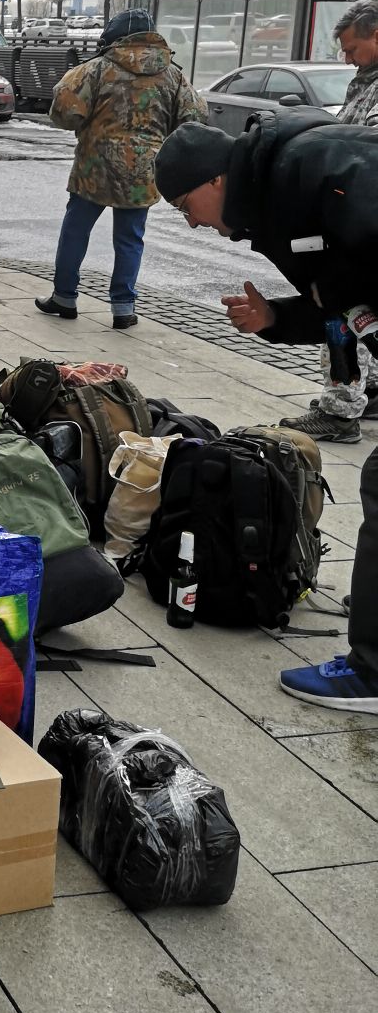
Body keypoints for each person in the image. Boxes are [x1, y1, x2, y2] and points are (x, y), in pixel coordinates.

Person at [154, 110, 378, 713]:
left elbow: (355, 270)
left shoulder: (300, 171)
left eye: (186, 206)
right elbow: (340, 296)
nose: (193, 223)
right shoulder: (275, 192)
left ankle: (372, 673)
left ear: (215, 179)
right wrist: (276, 317)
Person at [36, 8, 204, 330]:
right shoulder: (173, 74)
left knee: (76, 230)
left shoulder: (96, 69)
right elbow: (194, 117)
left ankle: (65, 297)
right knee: (130, 238)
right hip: (144, 170)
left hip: (94, 167)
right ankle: (123, 308)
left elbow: (64, 111)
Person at [279, 0, 378, 442]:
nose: (347, 58)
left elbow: (367, 147)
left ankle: (340, 411)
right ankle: (368, 391)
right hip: (359, 213)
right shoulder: (368, 79)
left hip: (364, 220)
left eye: (353, 48)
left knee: (343, 309)